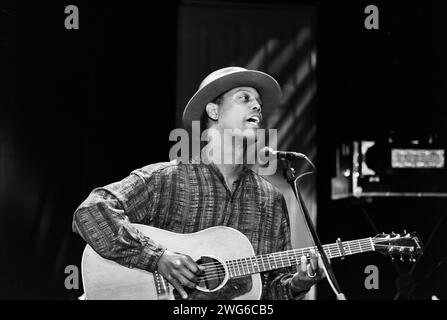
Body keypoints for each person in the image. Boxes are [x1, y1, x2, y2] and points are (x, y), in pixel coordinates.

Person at [72, 66, 325, 300]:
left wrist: (298, 284)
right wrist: (157, 258)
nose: (257, 106)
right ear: (213, 111)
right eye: (244, 98)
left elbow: (268, 291)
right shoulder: (169, 178)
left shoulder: (269, 199)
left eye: (259, 102)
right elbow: (91, 212)